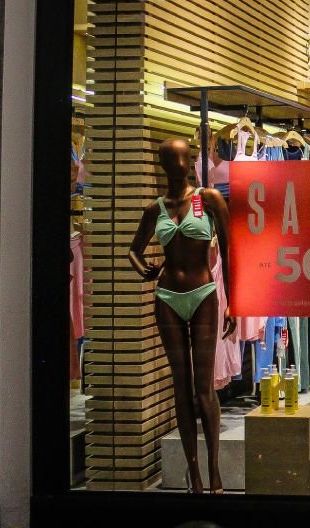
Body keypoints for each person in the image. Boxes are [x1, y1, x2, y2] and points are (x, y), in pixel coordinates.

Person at [127, 138, 235, 494]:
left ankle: (214, 468)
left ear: (190, 161)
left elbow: (230, 251)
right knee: (181, 386)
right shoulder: (155, 209)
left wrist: (233, 302)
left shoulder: (208, 199)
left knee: (203, 390)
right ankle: (195, 474)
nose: (179, 164)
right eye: (171, 159)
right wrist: (143, 268)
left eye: (184, 158)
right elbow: (133, 250)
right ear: (162, 165)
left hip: (203, 294)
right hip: (167, 297)